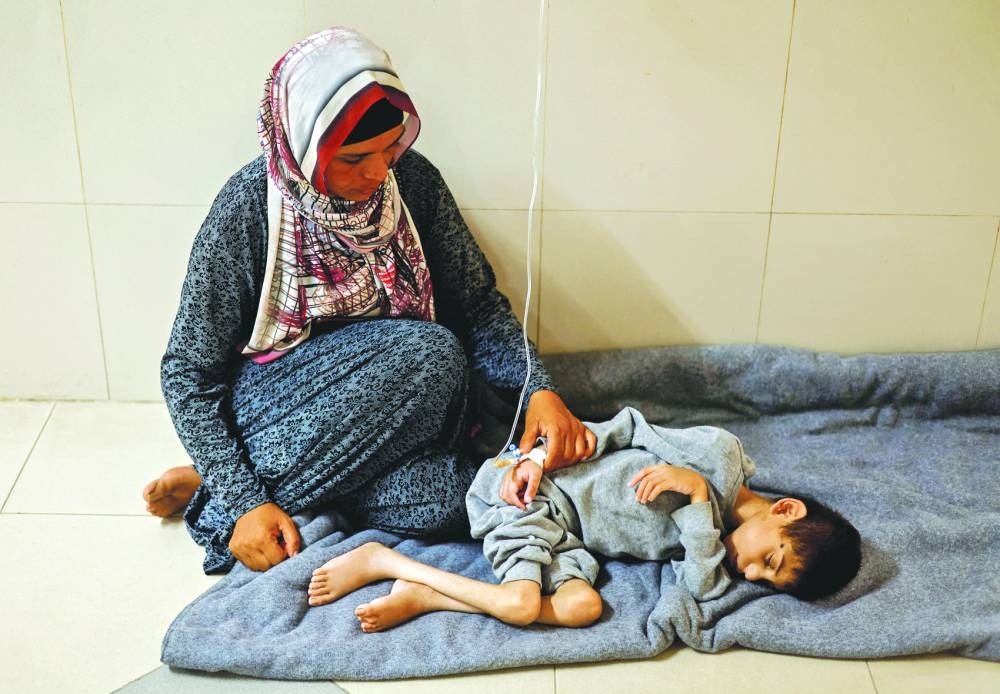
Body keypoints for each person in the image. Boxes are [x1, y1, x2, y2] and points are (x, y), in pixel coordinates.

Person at [142, 27, 595, 574]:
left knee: (461, 498)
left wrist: (537, 391)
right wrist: (245, 504)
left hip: (406, 412)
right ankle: (233, 494)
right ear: (305, 147)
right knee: (431, 354)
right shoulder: (249, 211)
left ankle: (238, 478)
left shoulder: (413, 184)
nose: (378, 173)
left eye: (390, 149)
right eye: (354, 158)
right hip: (289, 401)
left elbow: (476, 305)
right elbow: (188, 372)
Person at [306, 407, 862, 632]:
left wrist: (696, 503)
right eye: (771, 559)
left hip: (568, 536)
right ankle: (381, 558)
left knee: (582, 607)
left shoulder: (709, 540)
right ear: (786, 510)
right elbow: (621, 428)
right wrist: (536, 458)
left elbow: (703, 587)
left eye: (768, 580)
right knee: (524, 606)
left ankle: (428, 593)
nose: (754, 574)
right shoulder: (719, 454)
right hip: (533, 493)